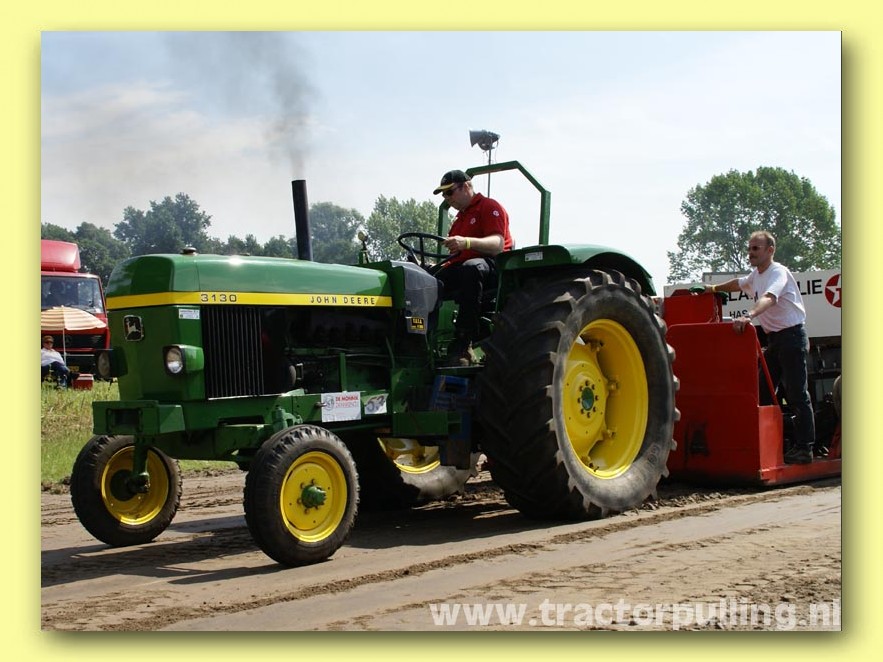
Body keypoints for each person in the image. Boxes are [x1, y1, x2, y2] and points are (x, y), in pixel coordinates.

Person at [703, 230, 816, 464]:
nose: (750, 253)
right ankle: (772, 444)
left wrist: (749, 315)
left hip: (791, 337)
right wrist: (712, 289)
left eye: (755, 248)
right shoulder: (755, 275)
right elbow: (737, 284)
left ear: (770, 250)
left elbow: (770, 297)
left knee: (797, 393)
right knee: (763, 392)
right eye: (749, 248)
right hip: (775, 340)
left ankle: (805, 449)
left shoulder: (778, 272)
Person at [432, 169, 514, 365]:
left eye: (449, 192)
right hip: (464, 267)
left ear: (467, 186)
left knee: (471, 268)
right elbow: (455, 257)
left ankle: (464, 341)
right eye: (443, 195)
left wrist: (467, 242)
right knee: (425, 277)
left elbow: (497, 245)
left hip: (494, 268)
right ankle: (423, 338)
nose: (446, 198)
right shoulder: (459, 219)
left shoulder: (489, 206)